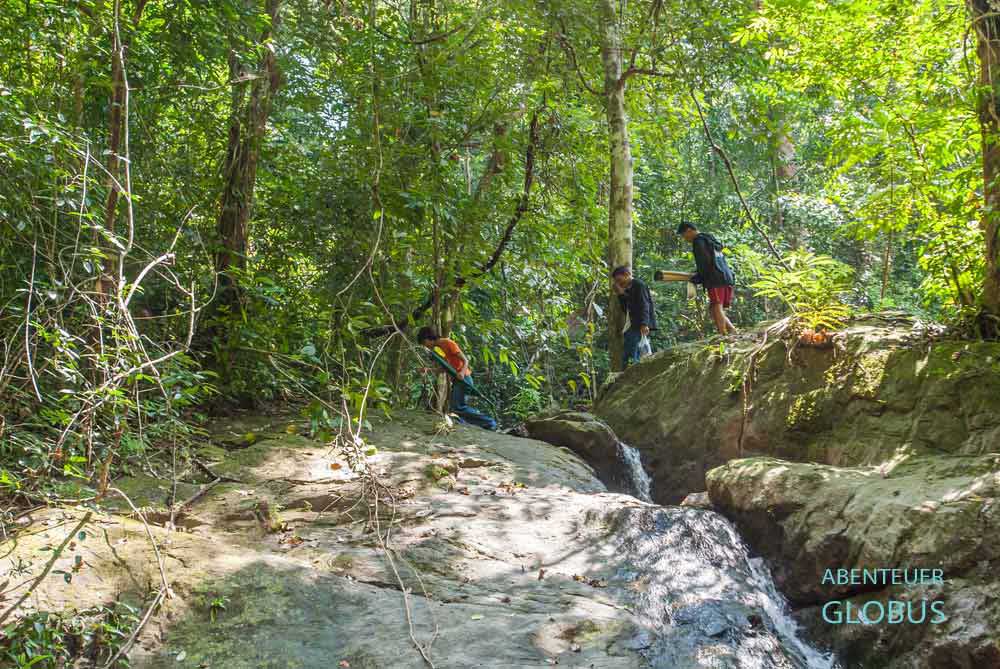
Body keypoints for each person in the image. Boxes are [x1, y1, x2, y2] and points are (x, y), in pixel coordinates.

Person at [417, 327, 498, 431]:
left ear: (428, 338)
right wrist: (428, 370)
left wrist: (462, 372)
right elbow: (444, 368)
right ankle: (483, 423)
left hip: (464, 379)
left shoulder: (448, 343)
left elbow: (465, 360)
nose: (426, 346)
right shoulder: (441, 347)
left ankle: (489, 422)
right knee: (457, 407)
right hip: (457, 380)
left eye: (425, 343)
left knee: (458, 407)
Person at [676, 222, 737, 335]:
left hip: (715, 278)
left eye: (684, 235)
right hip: (726, 276)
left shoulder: (699, 241)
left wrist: (699, 276)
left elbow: (705, 262)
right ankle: (732, 330)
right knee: (713, 308)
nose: (685, 239)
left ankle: (722, 334)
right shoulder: (710, 239)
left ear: (689, 230)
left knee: (716, 305)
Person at [611, 266, 657, 367]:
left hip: (638, 325)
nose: (619, 283)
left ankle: (631, 376)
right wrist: (621, 294)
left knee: (632, 354)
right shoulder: (628, 289)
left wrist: (644, 324)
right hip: (630, 325)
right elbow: (626, 309)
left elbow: (644, 304)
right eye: (617, 282)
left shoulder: (638, 285)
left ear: (627, 275)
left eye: (619, 280)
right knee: (630, 353)